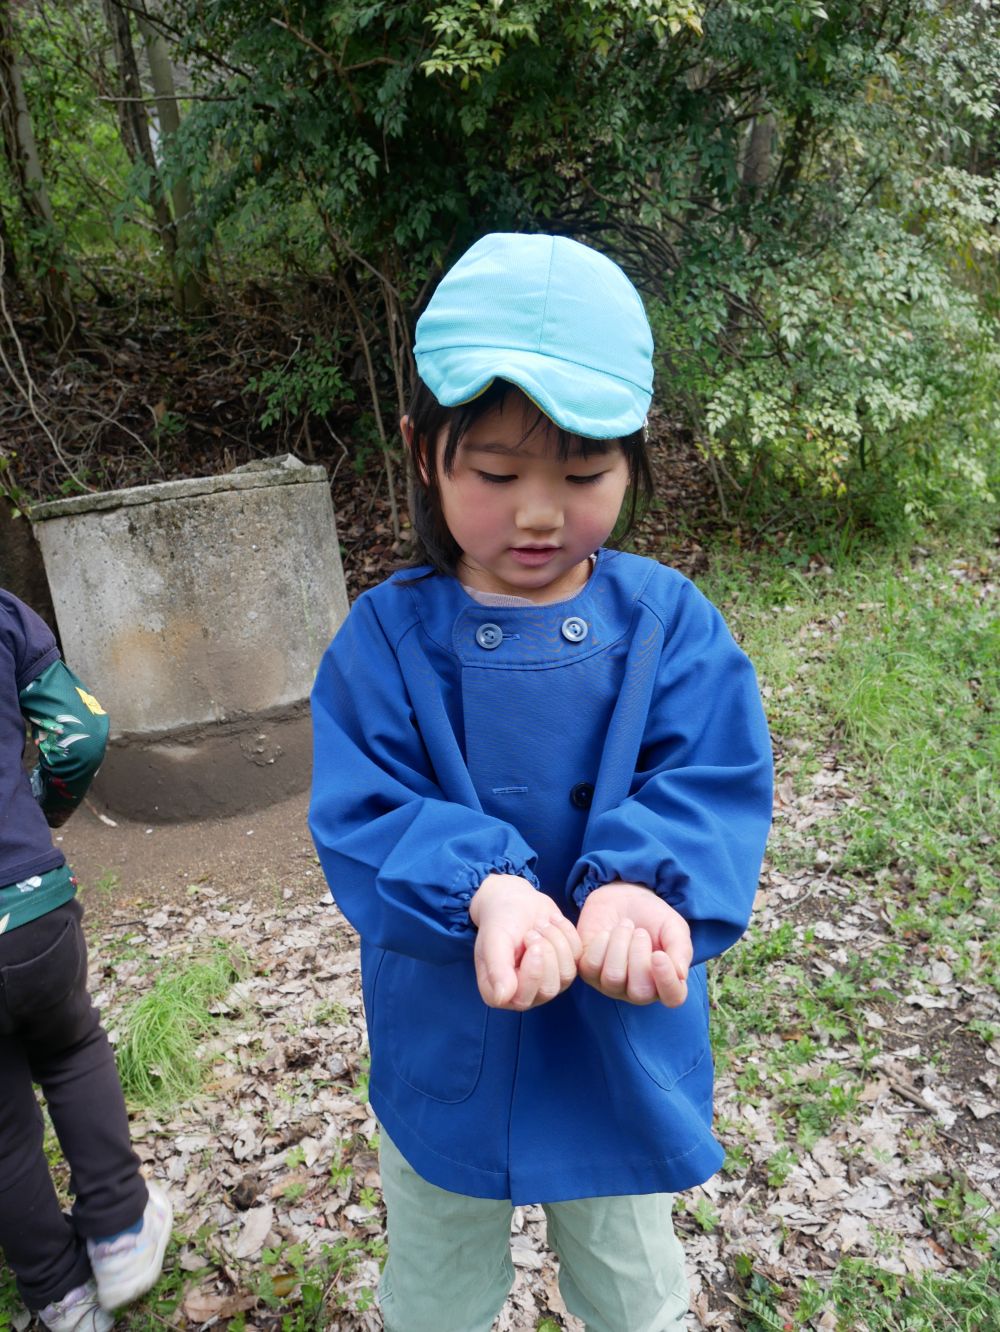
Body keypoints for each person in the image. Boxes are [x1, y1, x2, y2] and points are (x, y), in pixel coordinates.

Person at [309, 232, 773, 1332]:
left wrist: (639, 887)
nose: (536, 514)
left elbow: (712, 776)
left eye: (581, 474)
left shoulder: (668, 625)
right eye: (497, 472)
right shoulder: (384, 641)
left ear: (634, 457)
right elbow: (365, 807)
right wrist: (489, 889)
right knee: (436, 1287)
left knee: (632, 1285)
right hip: (448, 1033)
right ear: (426, 452)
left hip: (614, 1029)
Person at [0, 590, 172, 1332]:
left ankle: (61, 1295)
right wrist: (38, 810)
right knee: (69, 1047)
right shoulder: (5, 615)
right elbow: (79, 732)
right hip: (27, 905)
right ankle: (120, 1230)